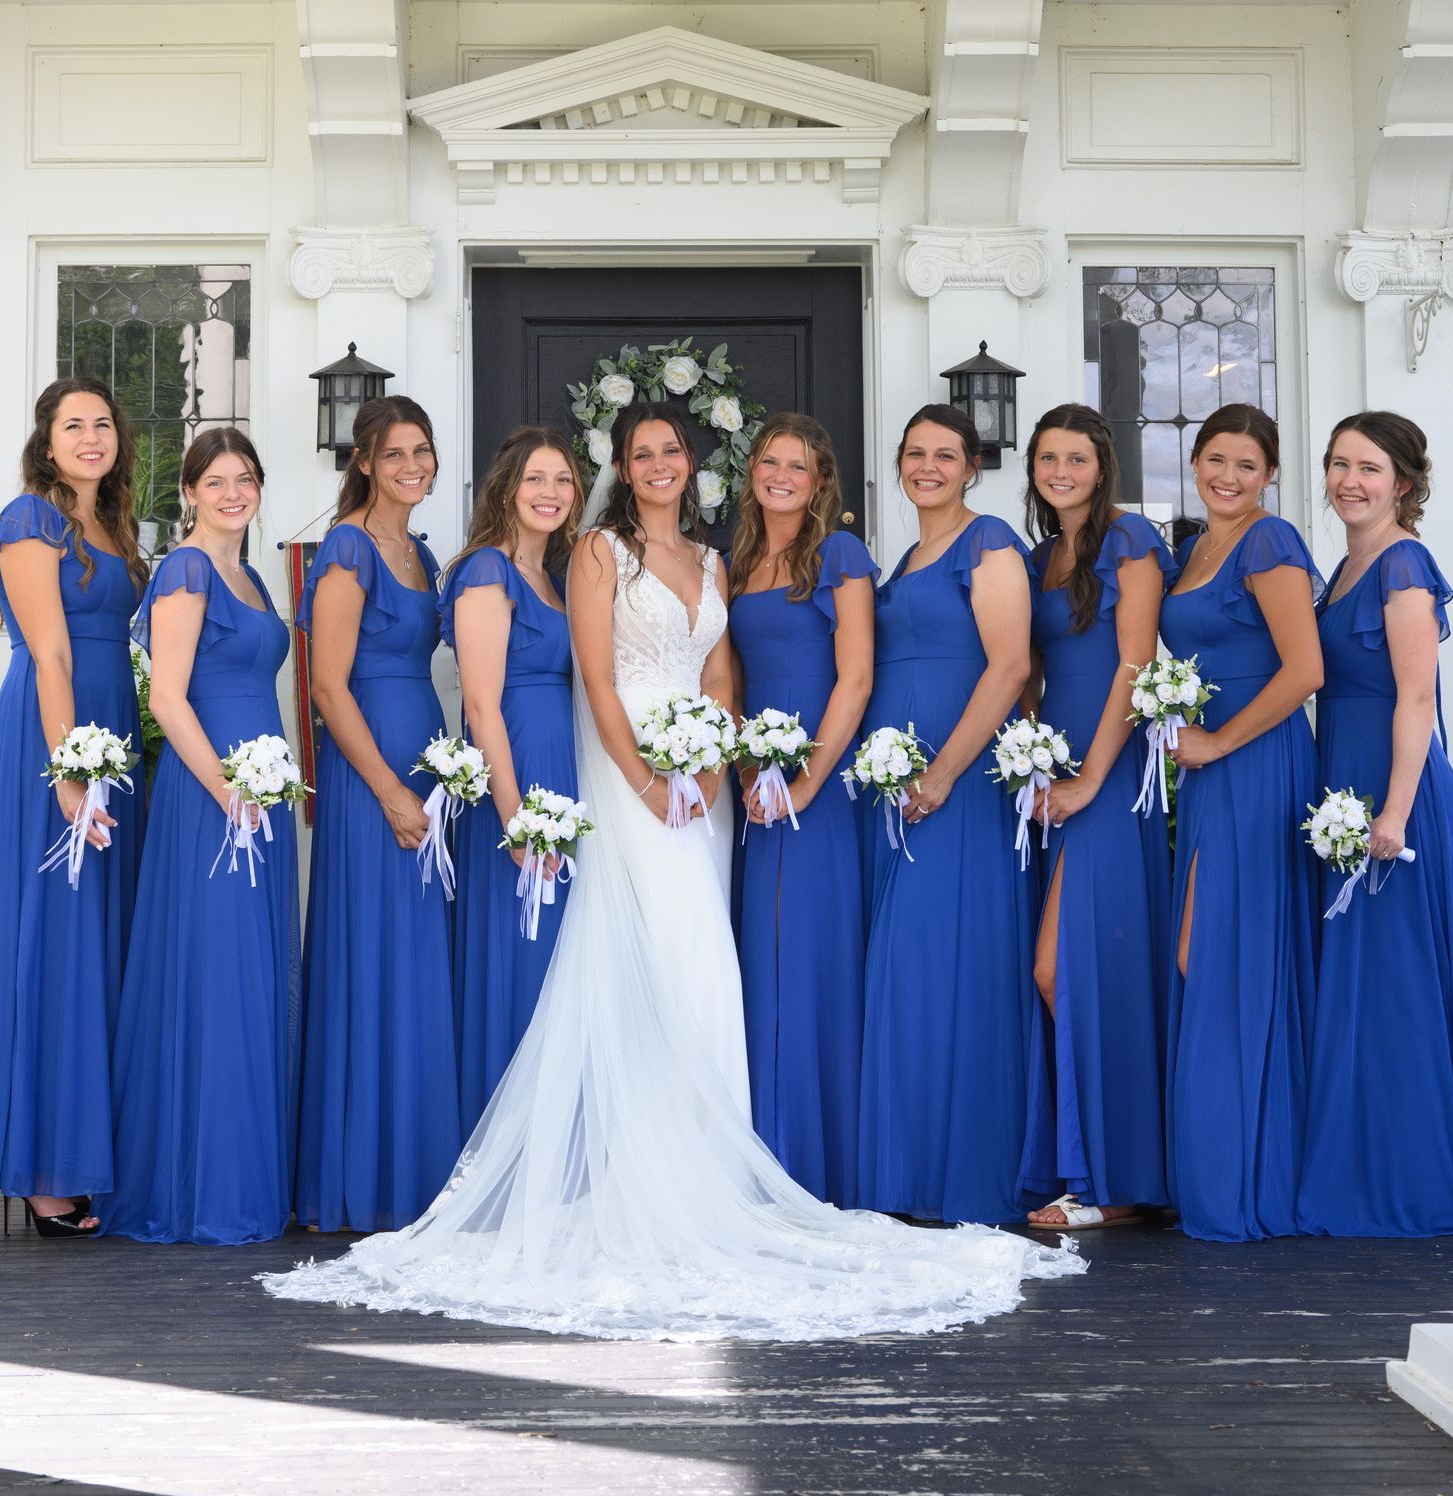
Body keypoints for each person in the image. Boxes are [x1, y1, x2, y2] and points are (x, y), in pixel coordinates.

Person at [264, 398, 1077, 1339]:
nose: (658, 464)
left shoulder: (716, 559)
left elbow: (722, 672)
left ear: (692, 464)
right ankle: (635, 1174)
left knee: (703, 961)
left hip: (705, 782)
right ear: (621, 466)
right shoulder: (598, 554)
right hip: (626, 777)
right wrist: (649, 780)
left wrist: (711, 755)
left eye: (671, 451)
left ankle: (708, 1164)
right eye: (640, 452)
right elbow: (600, 680)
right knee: (642, 954)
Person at [0, 378, 145, 1236]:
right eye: (73, 425)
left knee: (99, 940)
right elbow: (51, 650)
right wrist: (67, 769)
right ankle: (43, 1164)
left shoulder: (114, 527)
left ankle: (90, 1145)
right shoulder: (31, 520)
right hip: (50, 739)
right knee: (53, 939)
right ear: (45, 441)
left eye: (103, 423)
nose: (91, 437)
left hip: (112, 734)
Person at [1297, 414, 1453, 1238]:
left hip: (1396, 800)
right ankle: (1355, 1163)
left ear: (1405, 484)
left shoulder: (1404, 563)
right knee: (1355, 990)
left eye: (1369, 468)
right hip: (1341, 788)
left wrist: (1393, 808)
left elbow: (1416, 696)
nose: (1350, 480)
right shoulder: (1344, 567)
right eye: (1340, 464)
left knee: (1396, 993)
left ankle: (1406, 1182)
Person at [105, 428, 299, 1246]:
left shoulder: (249, 573)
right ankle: (207, 1187)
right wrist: (228, 792)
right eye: (215, 480)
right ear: (188, 491)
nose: (232, 492)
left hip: (262, 796)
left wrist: (265, 790)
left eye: (245, 478)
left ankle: (252, 1172)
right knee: (216, 980)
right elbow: (169, 698)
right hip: (213, 798)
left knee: (256, 977)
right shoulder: (186, 567)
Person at [857, 405, 1040, 1226]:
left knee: (952, 967)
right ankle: (910, 1170)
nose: (927, 466)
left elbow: (1009, 667)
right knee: (909, 972)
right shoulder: (906, 556)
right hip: (899, 790)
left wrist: (942, 772)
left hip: (954, 786)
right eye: (915, 453)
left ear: (973, 467)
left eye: (945, 455)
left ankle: (963, 1170)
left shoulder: (989, 541)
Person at [294, 398, 461, 1233]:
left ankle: (418, 1170)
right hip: (373, 779)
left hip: (424, 755)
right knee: (375, 960)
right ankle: (364, 1175)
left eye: (423, 451)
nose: (413, 465)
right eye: (396, 452)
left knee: (419, 962)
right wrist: (391, 790)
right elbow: (327, 684)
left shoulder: (423, 552)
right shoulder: (347, 548)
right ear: (364, 460)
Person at [1161, 405, 1323, 1244]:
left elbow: (1306, 668)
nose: (1228, 475)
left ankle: (1248, 1171)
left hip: (1255, 763)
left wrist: (1220, 738)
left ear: (1269, 474)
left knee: (1220, 952)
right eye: (1215, 459)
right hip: (1208, 771)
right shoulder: (1196, 549)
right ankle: (1218, 1165)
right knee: (1203, 953)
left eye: (1247, 464)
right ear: (1194, 462)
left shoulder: (1271, 540)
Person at [1018, 405, 1175, 1234]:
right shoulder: (1044, 556)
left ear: (1102, 464)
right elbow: (1034, 672)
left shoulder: (1133, 541)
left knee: (1065, 969)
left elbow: (1135, 662)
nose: (1061, 470)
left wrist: (1087, 782)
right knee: (1082, 969)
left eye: (1076, 457)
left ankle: (1114, 1178)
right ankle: (1106, 1168)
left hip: (1108, 781)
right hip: (1056, 780)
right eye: (1048, 457)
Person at [727, 414, 875, 1203]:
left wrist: (810, 780)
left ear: (820, 482)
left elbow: (855, 676)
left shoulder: (840, 556)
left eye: (797, 465)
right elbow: (731, 680)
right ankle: (764, 1154)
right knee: (761, 960)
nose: (780, 474)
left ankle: (814, 1165)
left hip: (818, 782)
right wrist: (752, 766)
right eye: (769, 461)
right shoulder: (738, 560)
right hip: (755, 786)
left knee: (809, 959)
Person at [444, 426, 583, 1131]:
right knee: (519, 951)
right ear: (506, 487)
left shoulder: (551, 580)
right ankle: (510, 1143)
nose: (550, 492)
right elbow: (479, 704)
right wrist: (515, 820)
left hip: (561, 772)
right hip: (517, 778)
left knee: (562, 959)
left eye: (562, 480)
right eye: (536, 478)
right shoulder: (486, 571)